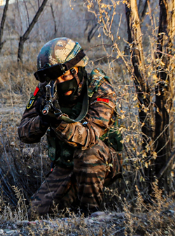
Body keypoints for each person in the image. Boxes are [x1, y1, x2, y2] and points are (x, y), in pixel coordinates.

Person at [18, 38, 123, 216]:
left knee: (89, 153)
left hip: (103, 161)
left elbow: (89, 137)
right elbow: (24, 134)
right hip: (66, 163)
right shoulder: (46, 89)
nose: (61, 83)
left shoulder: (99, 88)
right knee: (36, 214)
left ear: (79, 69)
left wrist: (58, 122)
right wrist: (42, 120)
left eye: (66, 75)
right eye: (55, 78)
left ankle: (93, 216)